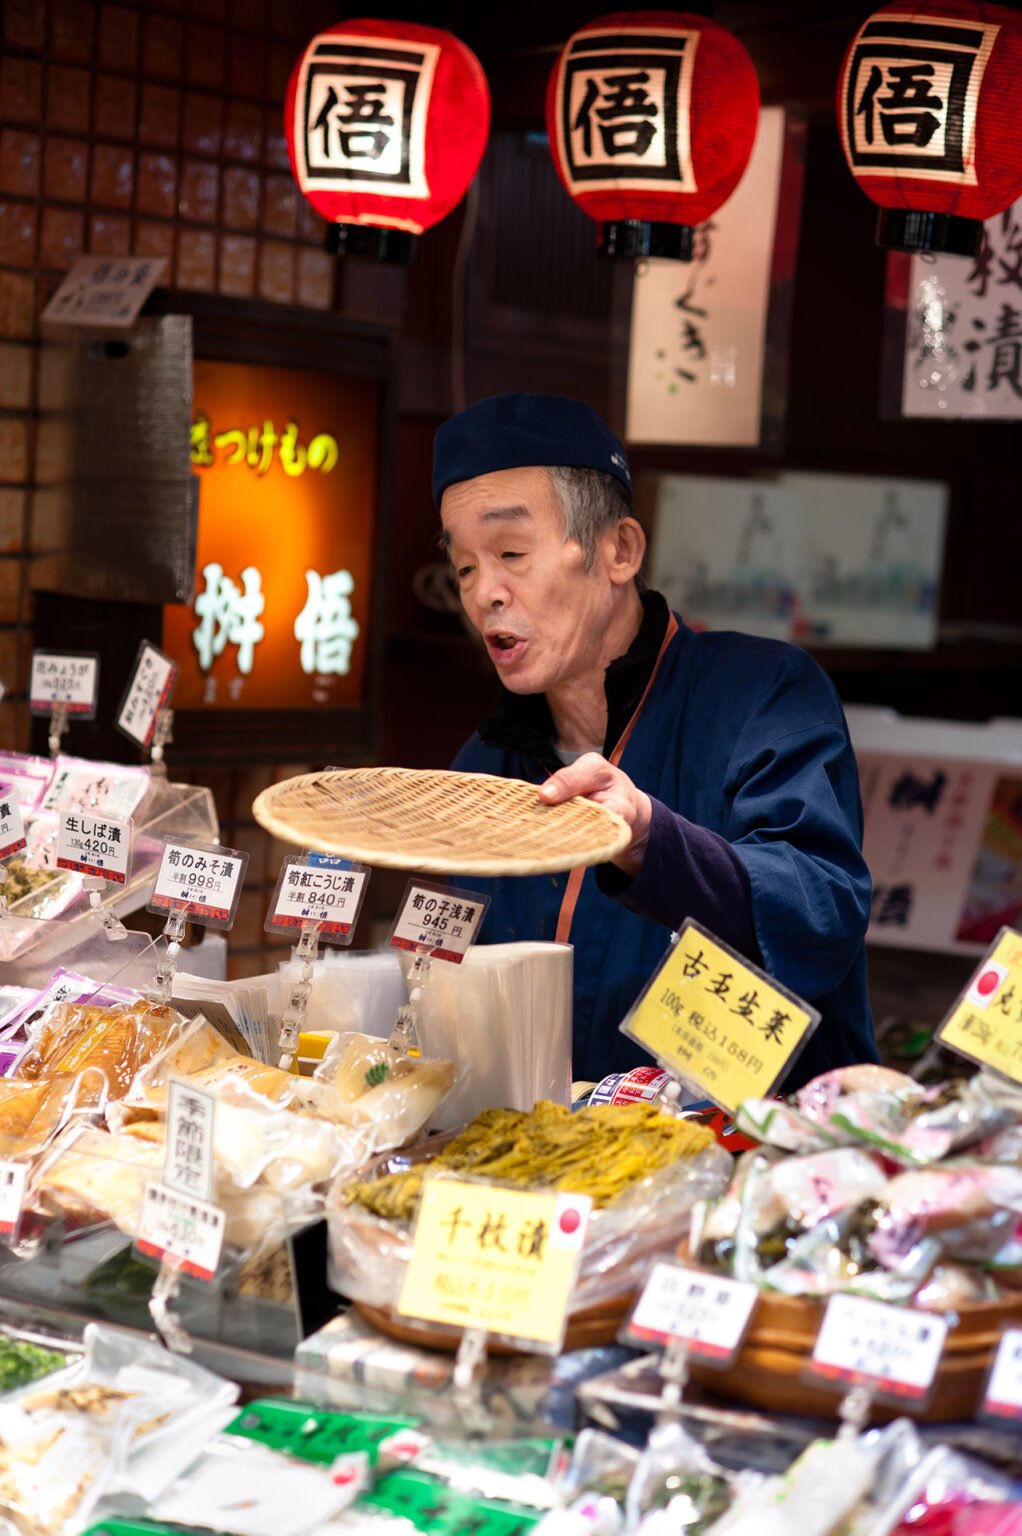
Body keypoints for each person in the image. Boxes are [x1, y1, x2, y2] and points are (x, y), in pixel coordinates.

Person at [434, 392, 877, 1089]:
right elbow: (457, 970)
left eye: (511, 552)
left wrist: (649, 841)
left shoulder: (763, 692)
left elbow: (821, 905)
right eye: (463, 567)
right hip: (548, 1160)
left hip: (749, 1158)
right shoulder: (486, 763)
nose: (484, 591)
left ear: (619, 550)